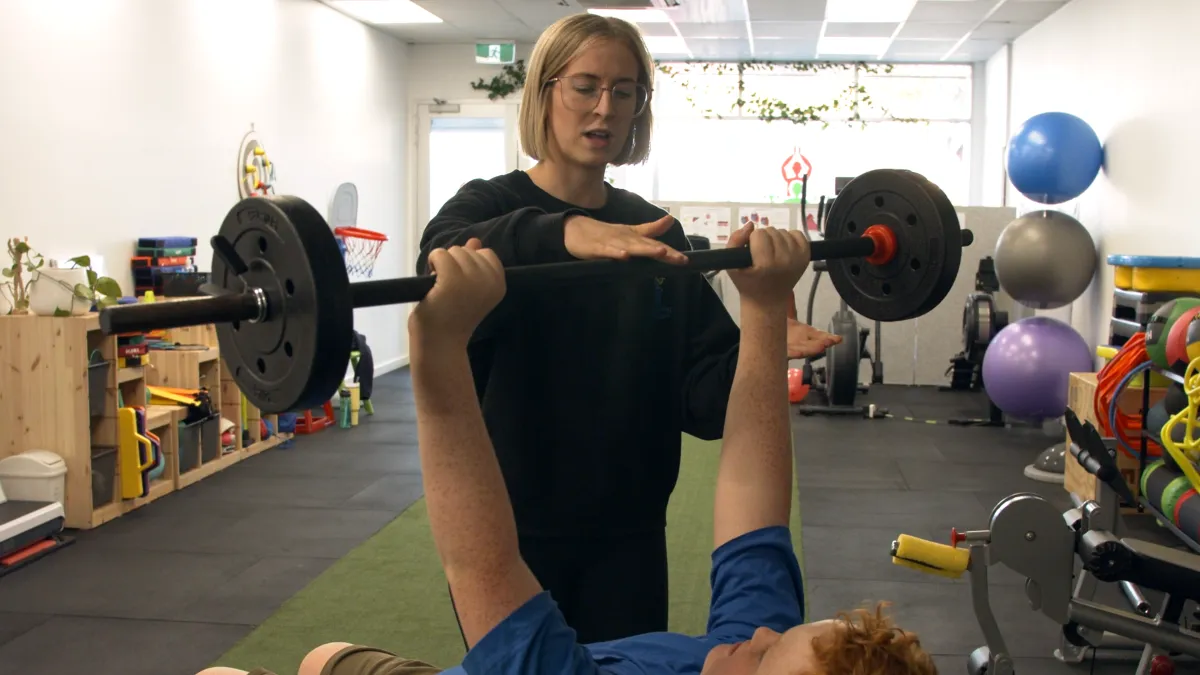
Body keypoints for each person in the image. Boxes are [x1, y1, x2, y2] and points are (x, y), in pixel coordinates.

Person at [199, 225, 935, 675]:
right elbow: (753, 501)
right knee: (322, 656)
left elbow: (480, 561)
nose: (768, 631)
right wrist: (766, 306)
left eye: (772, 651)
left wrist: (437, 344)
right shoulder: (756, 653)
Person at [415, 12, 839, 643]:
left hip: (632, 535)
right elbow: (441, 254)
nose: (605, 108)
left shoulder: (655, 236)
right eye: (585, 86)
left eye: (624, 91)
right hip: (506, 532)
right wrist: (563, 231)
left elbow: (704, 400)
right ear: (546, 93)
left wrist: (763, 339)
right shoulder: (488, 206)